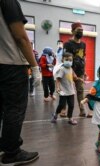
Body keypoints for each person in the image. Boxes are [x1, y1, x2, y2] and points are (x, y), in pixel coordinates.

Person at [0, 0, 40, 165]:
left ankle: (5, 144)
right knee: (14, 110)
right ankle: (11, 153)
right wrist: (35, 67)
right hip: (11, 65)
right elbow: (21, 37)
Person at [51, 52, 84, 125]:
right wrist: (58, 88)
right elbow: (58, 79)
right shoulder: (62, 69)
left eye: (70, 60)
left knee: (71, 105)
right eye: (67, 59)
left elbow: (75, 77)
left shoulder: (71, 69)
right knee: (62, 104)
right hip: (63, 91)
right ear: (63, 60)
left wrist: (79, 79)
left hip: (71, 91)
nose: (68, 61)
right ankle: (55, 114)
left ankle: (70, 118)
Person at [64, 22, 87, 117]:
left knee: (80, 90)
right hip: (69, 71)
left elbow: (83, 57)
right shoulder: (68, 44)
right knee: (66, 91)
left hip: (80, 72)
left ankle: (82, 110)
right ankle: (63, 109)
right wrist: (72, 72)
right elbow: (65, 59)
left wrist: (84, 71)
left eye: (82, 30)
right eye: (78, 30)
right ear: (72, 31)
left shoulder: (83, 44)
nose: (80, 32)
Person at [53, 39, 67, 117]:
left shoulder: (64, 51)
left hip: (63, 70)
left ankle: (64, 109)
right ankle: (62, 108)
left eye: (61, 43)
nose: (59, 44)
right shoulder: (57, 51)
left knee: (65, 90)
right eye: (58, 43)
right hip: (57, 70)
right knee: (60, 91)